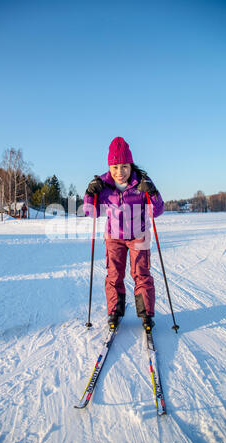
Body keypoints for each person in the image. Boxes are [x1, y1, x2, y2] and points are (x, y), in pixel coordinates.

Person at [83, 136, 164, 331]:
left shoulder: (142, 181)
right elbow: (89, 211)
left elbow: (158, 210)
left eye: (125, 166)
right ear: (109, 166)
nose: (120, 172)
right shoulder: (102, 184)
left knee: (141, 273)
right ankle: (115, 312)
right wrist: (90, 193)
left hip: (139, 235)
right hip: (113, 237)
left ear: (131, 165)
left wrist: (152, 192)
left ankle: (146, 314)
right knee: (114, 275)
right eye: (115, 167)